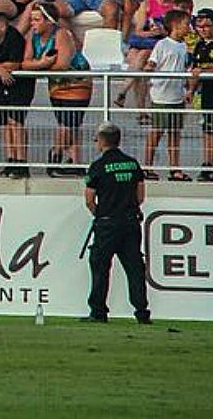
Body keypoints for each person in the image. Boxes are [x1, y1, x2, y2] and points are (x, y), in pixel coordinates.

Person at [84, 121, 150, 324]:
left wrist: (101, 214)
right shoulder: (133, 164)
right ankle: (141, 311)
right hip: (130, 223)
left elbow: (89, 200)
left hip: (107, 225)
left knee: (100, 267)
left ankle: (98, 312)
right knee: (135, 268)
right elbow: (140, 197)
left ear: (102, 141)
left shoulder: (97, 167)